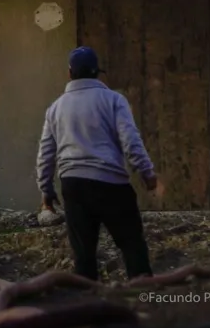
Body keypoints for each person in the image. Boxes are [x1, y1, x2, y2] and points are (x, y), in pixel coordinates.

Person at [36, 46, 159, 281]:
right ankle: (146, 300)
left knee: (83, 256)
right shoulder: (114, 100)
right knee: (133, 247)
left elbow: (46, 154)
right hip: (111, 185)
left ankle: (88, 307)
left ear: (70, 73)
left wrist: (46, 191)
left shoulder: (56, 108)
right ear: (97, 73)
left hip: (73, 185)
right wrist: (146, 172)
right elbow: (130, 141)